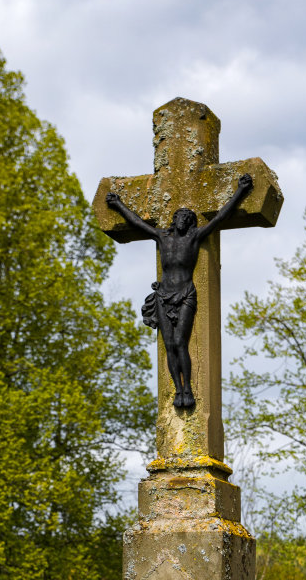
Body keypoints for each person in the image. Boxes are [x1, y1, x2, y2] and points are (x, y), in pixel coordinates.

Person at [105, 172, 254, 409]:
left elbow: (220, 218)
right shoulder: (162, 237)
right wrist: (118, 205)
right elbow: (136, 222)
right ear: (175, 220)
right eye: (179, 216)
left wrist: (240, 192)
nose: (182, 220)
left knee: (179, 341)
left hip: (185, 293)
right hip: (163, 296)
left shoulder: (194, 237)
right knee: (169, 345)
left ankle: (188, 389)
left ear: (191, 222)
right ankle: (177, 389)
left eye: (186, 217)